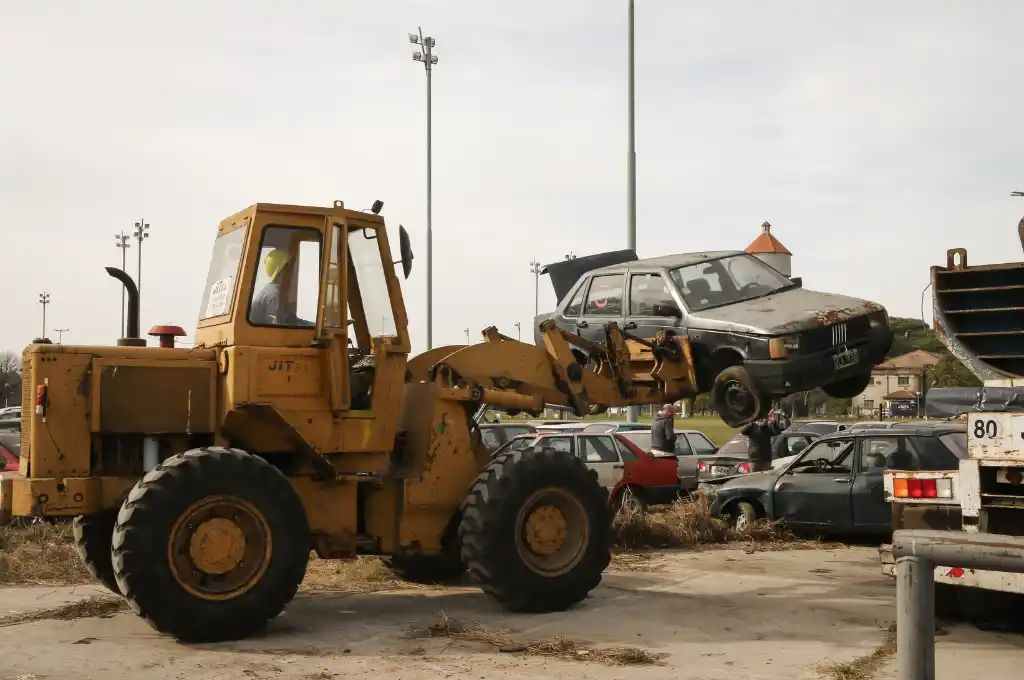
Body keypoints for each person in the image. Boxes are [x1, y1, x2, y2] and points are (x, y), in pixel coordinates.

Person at [251, 248, 314, 327]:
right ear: (281, 271)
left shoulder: (270, 290)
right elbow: (280, 328)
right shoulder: (275, 295)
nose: (294, 270)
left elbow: (290, 319)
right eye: (289, 267)